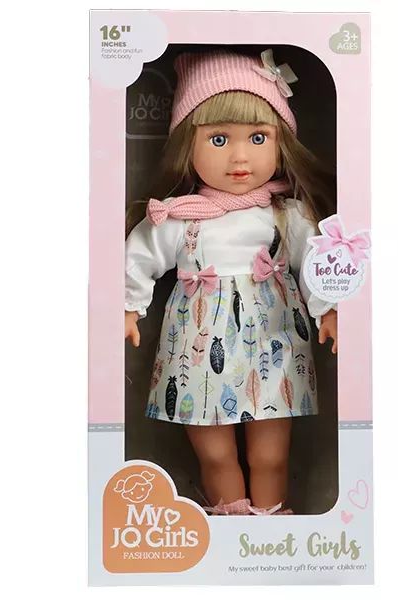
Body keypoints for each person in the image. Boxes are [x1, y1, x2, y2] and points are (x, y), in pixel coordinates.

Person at [125, 49, 337, 515]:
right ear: (188, 144)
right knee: (215, 452)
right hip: (197, 347)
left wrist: (330, 308)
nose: (240, 157)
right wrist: (127, 304)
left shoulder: (287, 215)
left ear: (281, 142)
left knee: (270, 454)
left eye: (258, 138)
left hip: (274, 343)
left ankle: (270, 531)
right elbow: (138, 256)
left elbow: (319, 263)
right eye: (218, 139)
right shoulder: (180, 218)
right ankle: (231, 530)